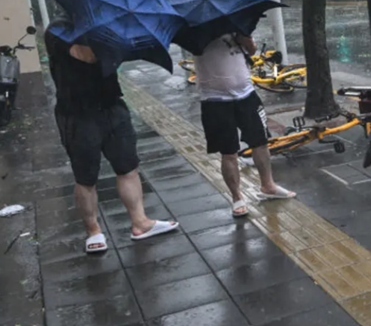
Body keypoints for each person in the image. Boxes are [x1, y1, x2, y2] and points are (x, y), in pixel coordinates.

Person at [46, 16, 179, 254]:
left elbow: (113, 58)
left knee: (128, 167)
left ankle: (140, 223)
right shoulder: (58, 30)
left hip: (112, 107)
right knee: (86, 177)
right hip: (77, 115)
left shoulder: (107, 28)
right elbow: (87, 55)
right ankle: (93, 231)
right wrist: (111, 41)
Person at [193, 33, 295, 218]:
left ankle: (268, 185)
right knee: (228, 151)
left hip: (247, 95)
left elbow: (252, 49)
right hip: (215, 101)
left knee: (261, 142)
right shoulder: (196, 30)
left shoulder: (236, 23)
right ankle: (237, 197)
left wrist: (243, 38)